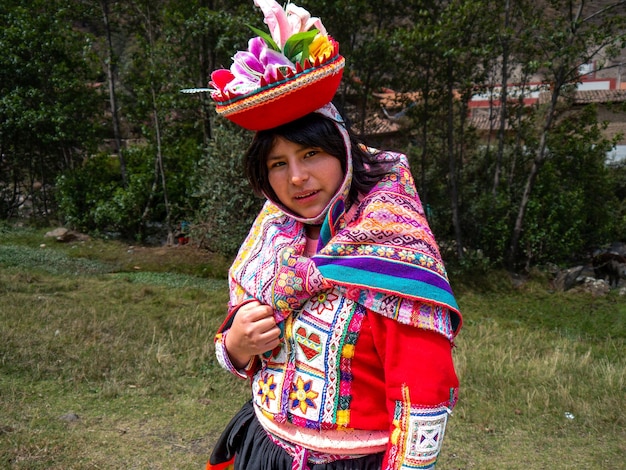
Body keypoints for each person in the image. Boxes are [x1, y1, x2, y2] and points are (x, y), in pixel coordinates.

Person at [199, 2, 462, 469]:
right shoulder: (272, 236)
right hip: (262, 448)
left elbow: (423, 391)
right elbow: (238, 341)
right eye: (278, 164)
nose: (297, 177)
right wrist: (237, 344)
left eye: (311, 153)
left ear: (343, 150)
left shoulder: (392, 252)